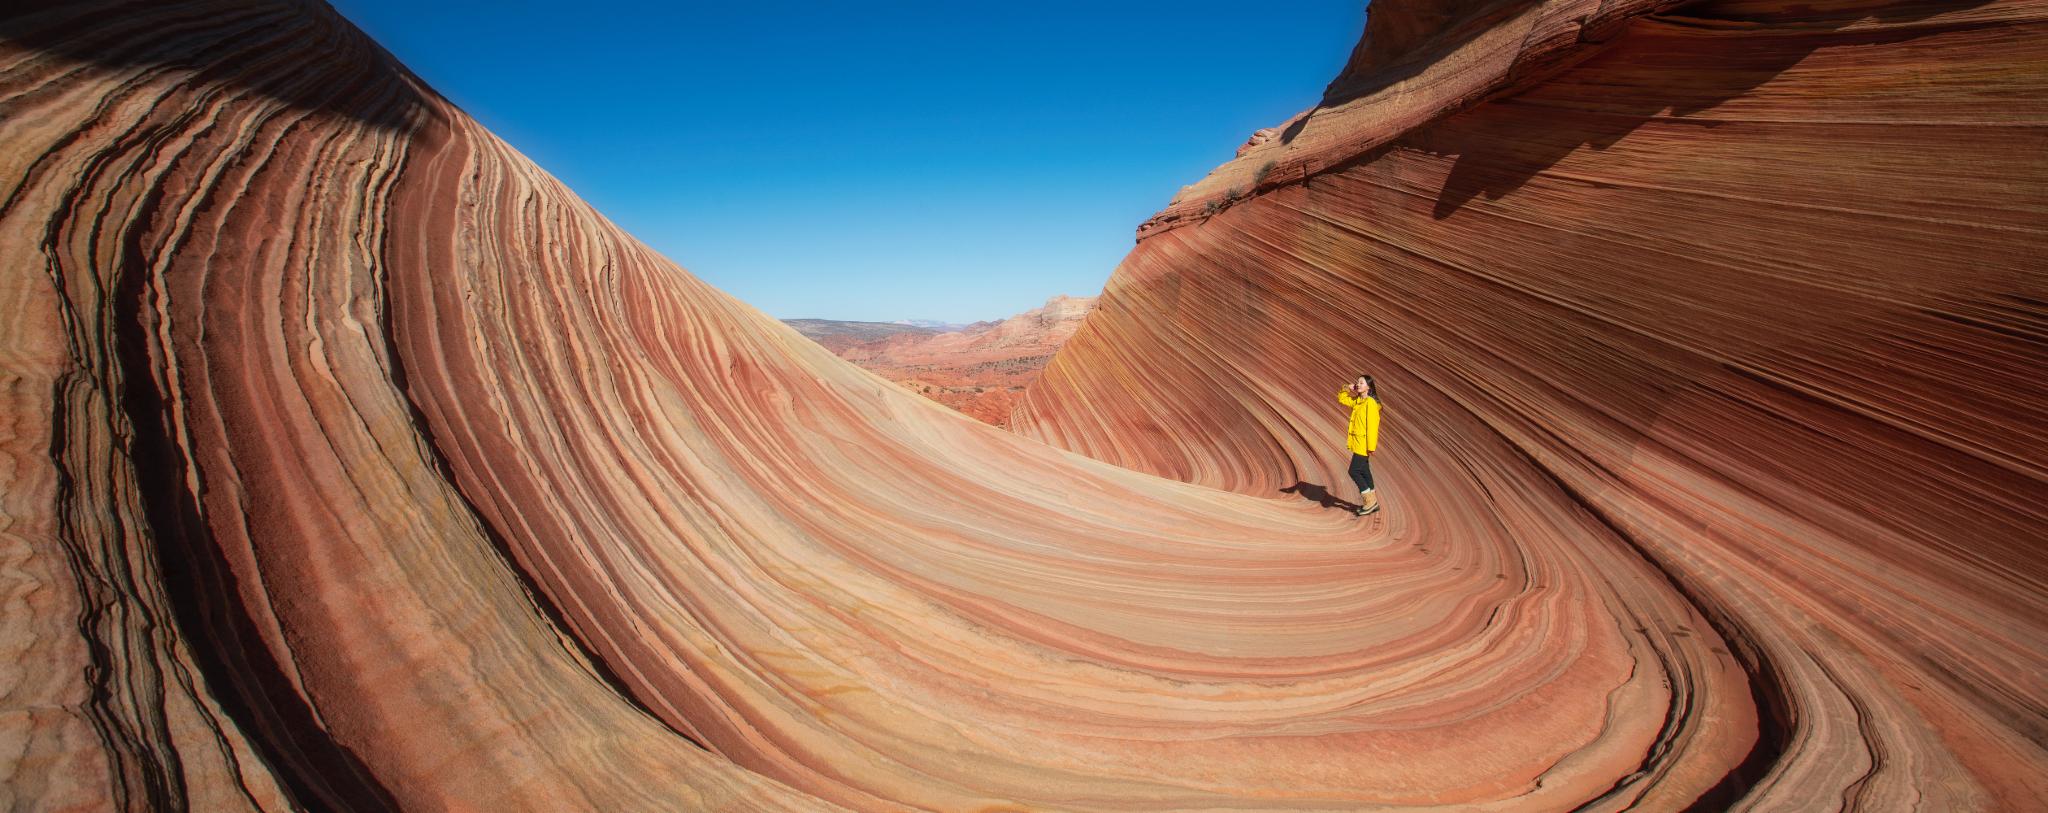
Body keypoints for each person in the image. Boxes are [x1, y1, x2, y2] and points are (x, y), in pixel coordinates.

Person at [1337, 375, 1382, 516]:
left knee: (1354, 471)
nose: (1358, 384)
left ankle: (1369, 502)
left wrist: (1371, 446)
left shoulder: (1370, 403)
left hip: (1363, 444)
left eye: (1361, 382)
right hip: (1357, 442)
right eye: (1358, 382)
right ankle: (1373, 502)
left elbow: (1373, 426)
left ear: (1368, 387)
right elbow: (1342, 399)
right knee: (1364, 471)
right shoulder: (1358, 401)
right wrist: (1346, 387)